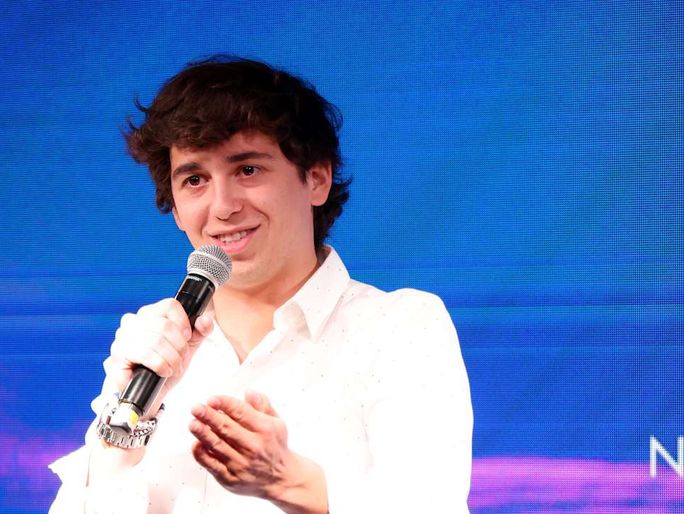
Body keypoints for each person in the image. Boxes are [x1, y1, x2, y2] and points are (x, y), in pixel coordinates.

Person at [49, 56, 472, 513]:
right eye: (195, 180)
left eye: (247, 170)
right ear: (175, 210)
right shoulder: (154, 347)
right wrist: (122, 431)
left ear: (317, 179)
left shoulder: (399, 327)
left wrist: (291, 482)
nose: (223, 206)